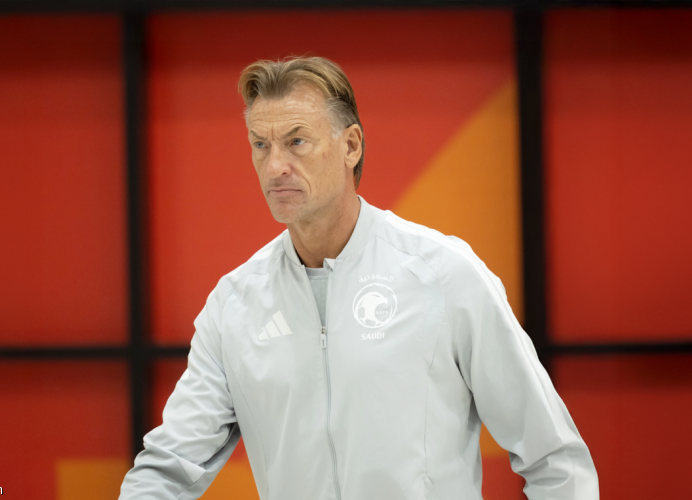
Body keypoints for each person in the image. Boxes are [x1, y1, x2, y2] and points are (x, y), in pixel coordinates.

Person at [119, 56, 598, 500]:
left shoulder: (443, 275)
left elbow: (555, 460)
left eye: (296, 141)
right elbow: (168, 468)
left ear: (350, 146)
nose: (275, 166)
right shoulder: (234, 306)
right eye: (260, 145)